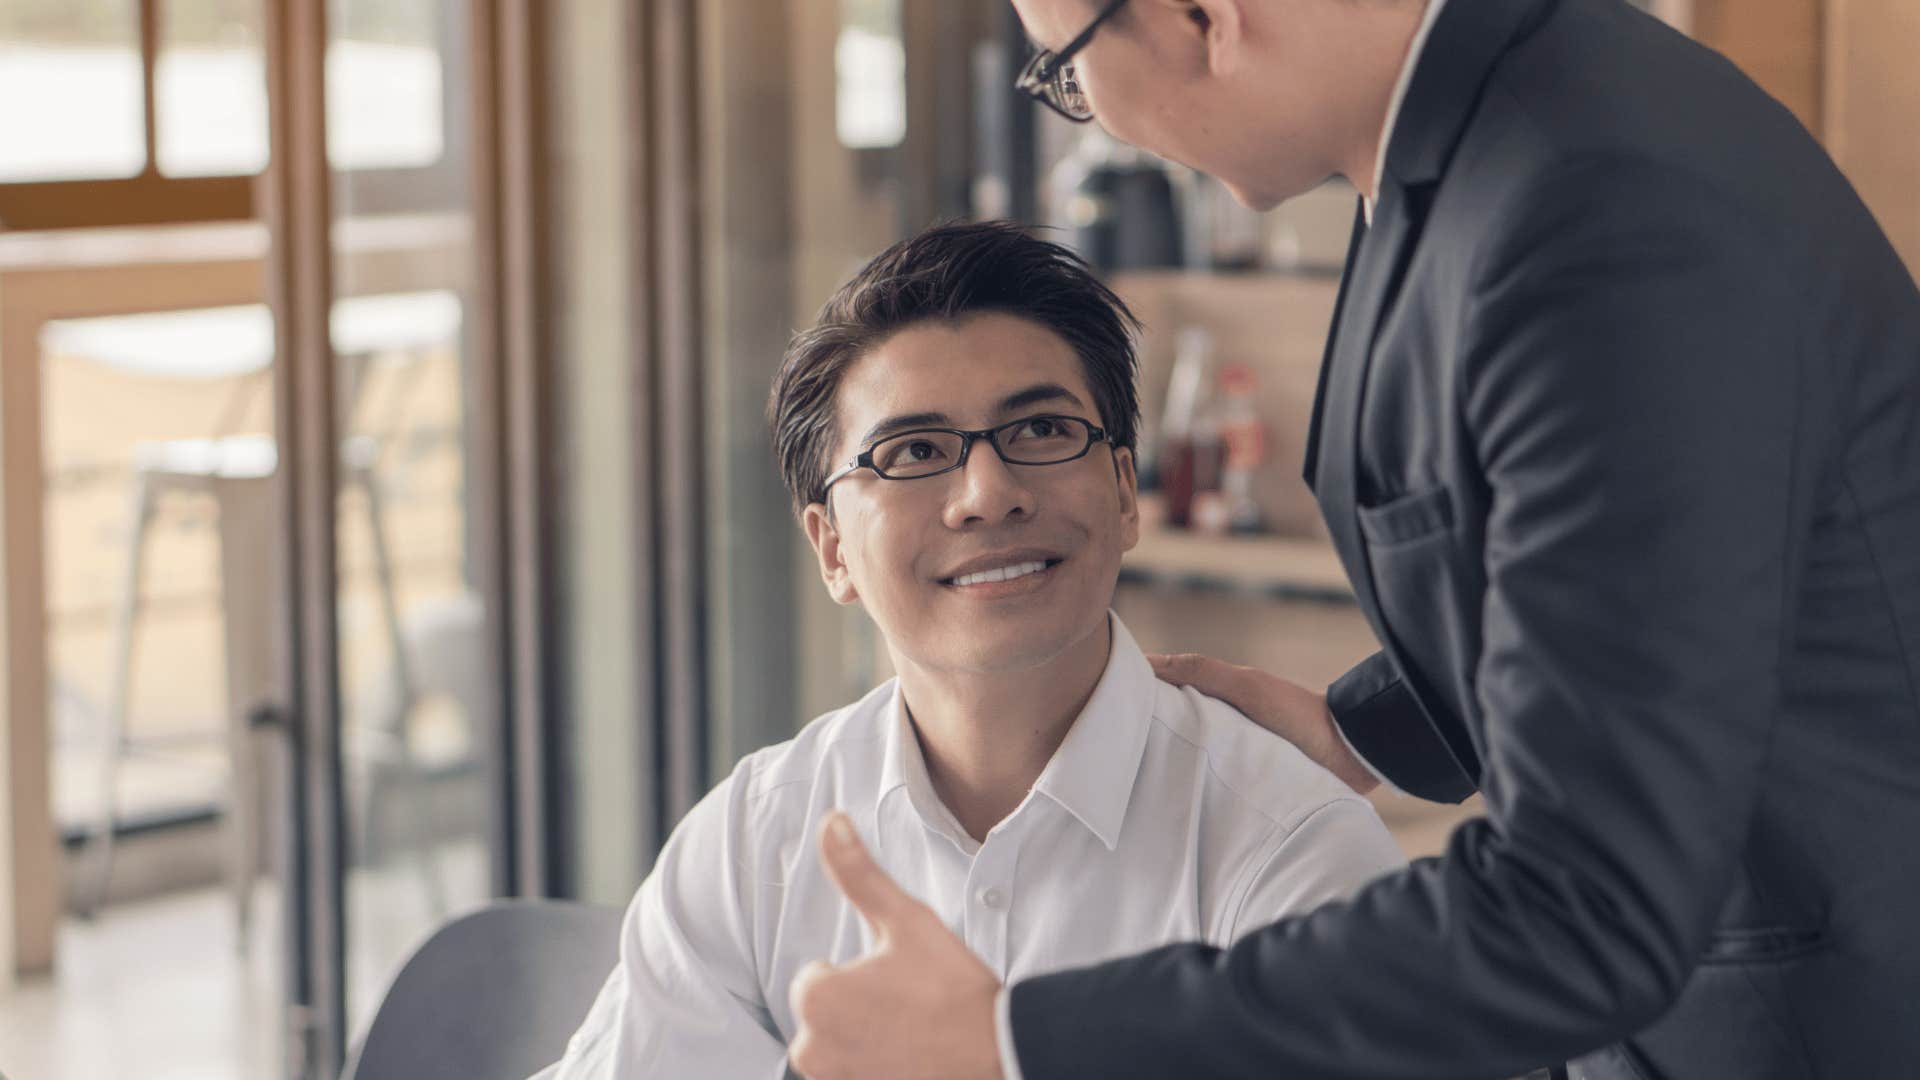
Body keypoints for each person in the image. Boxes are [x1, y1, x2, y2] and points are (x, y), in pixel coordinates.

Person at [784, 1, 1920, 1078]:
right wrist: (1374, 730)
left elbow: (1590, 909)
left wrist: (1020, 1044)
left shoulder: (1597, 206)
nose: (1086, 111)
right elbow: (1639, 590)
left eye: (1065, 66)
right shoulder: (1467, 143)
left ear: (1201, 15)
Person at [533, 221, 1405, 1077]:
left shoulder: (1290, 849)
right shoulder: (755, 836)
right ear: (832, 549)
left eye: (1040, 432)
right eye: (913, 451)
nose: (987, 495)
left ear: (1126, 492)